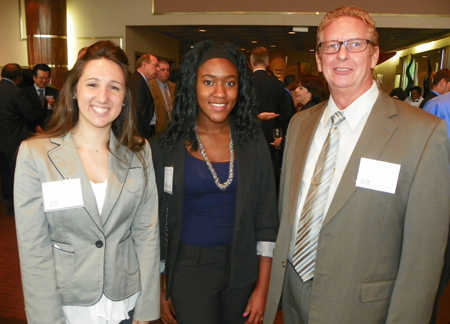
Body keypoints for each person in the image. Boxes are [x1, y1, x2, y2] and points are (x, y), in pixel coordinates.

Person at [264, 6, 450, 324]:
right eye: (331, 45)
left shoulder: (423, 134)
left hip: (365, 310)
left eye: (355, 44)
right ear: (320, 59)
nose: (342, 55)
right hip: (293, 302)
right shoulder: (300, 124)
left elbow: (423, 260)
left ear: (374, 55)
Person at [14, 41, 160, 324]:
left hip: (126, 302)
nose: (103, 97)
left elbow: (147, 233)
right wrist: (46, 318)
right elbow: (34, 248)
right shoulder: (36, 155)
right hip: (67, 306)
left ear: (125, 97)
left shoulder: (139, 151)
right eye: (93, 84)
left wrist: (147, 304)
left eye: (114, 87)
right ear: (74, 91)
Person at [150, 40, 279, 324]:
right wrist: (157, 287)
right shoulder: (165, 147)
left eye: (230, 83)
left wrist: (263, 287)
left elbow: (266, 218)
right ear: (192, 86)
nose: (220, 93)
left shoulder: (252, 140)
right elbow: (155, 223)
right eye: (209, 82)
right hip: (187, 270)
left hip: (243, 267)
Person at [0, 63, 37, 217]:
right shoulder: (17, 93)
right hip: (13, 140)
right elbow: (31, 115)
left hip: (2, 140)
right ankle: (17, 206)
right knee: (16, 175)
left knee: (5, 175)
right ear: (18, 77)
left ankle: (9, 204)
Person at [130, 54, 160, 139]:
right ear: (144, 65)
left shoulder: (141, 80)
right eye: (155, 65)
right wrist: (144, 134)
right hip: (142, 133)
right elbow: (137, 112)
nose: (158, 69)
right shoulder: (136, 81)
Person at [22, 63, 60, 130]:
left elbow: (61, 112)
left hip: (51, 130)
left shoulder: (55, 92)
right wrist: (35, 126)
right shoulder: (25, 93)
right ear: (34, 78)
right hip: (32, 131)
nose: (44, 81)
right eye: (41, 78)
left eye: (46, 78)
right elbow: (24, 115)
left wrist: (54, 105)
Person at [149, 60, 176, 134]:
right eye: (163, 70)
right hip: (158, 128)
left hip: (172, 127)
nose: (166, 72)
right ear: (157, 71)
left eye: (168, 70)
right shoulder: (150, 86)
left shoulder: (173, 86)